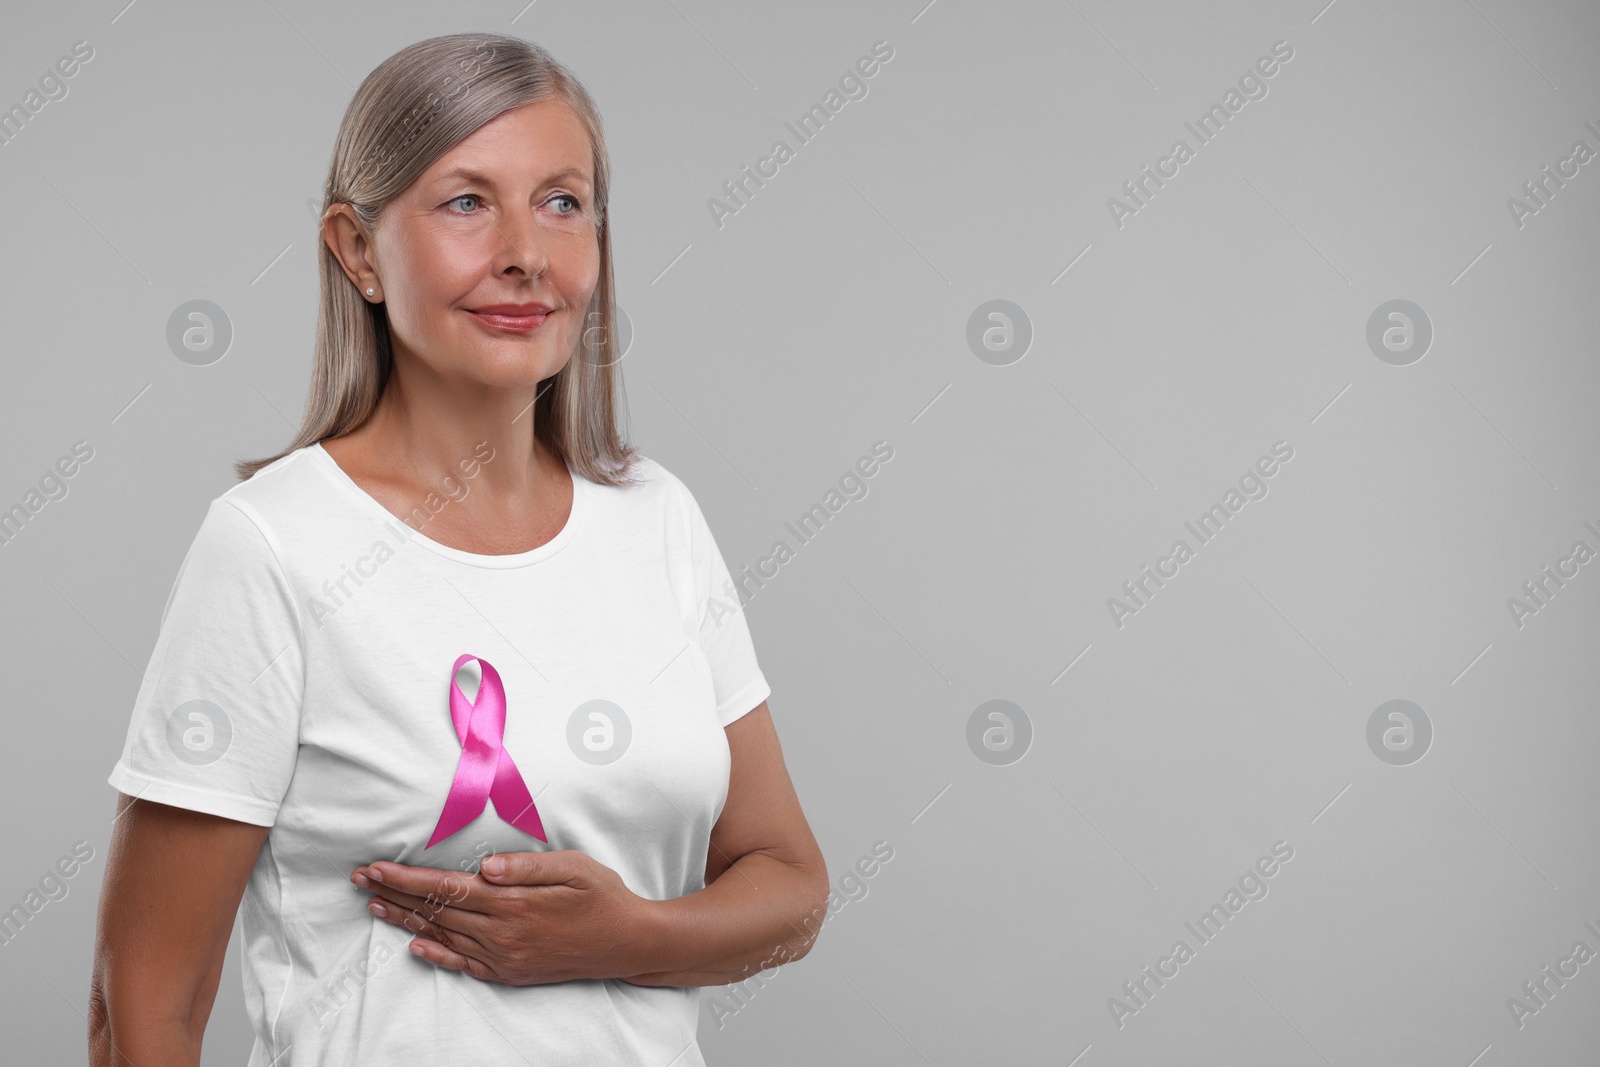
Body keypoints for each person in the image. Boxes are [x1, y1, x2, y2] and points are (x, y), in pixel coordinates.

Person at [88, 32, 828, 1066]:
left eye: (562, 202)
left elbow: (789, 884)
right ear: (356, 250)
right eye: (467, 201)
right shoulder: (272, 547)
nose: (526, 250)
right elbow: (141, 1009)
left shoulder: (657, 519)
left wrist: (627, 936)